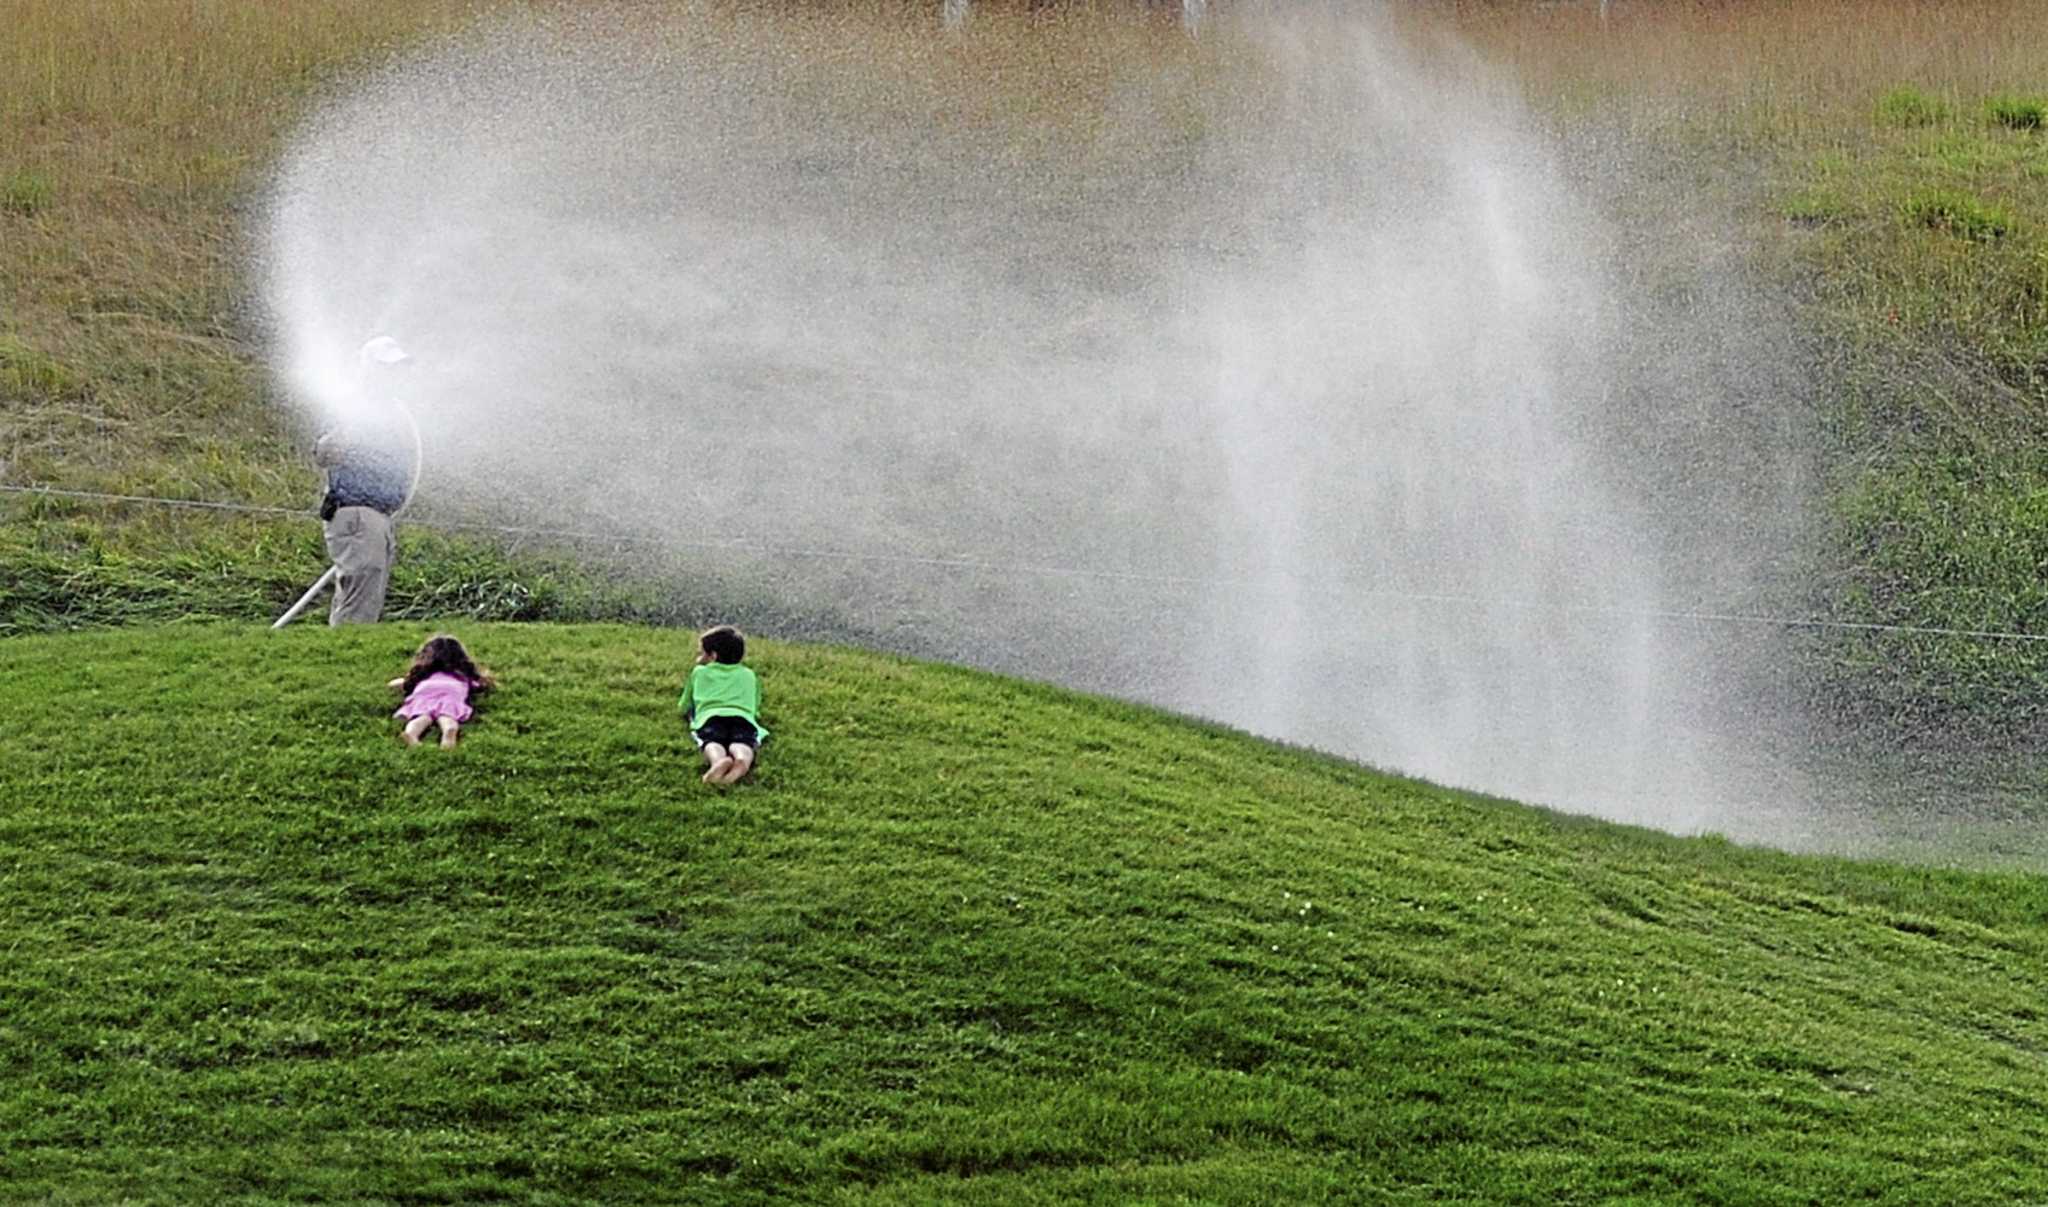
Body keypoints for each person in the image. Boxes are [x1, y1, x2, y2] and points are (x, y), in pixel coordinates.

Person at [314, 336, 420, 624]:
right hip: (359, 516)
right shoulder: (353, 405)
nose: (394, 376)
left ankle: (342, 658)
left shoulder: (392, 411)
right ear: (368, 369)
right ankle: (345, 664)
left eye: (397, 369)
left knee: (362, 599)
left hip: (375, 517)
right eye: (387, 368)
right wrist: (343, 437)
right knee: (358, 603)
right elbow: (324, 452)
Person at [679, 624, 767, 784]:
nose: (698, 657)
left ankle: (718, 761)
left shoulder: (699, 672)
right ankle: (741, 761)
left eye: (701, 653)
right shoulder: (749, 675)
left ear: (712, 655)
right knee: (743, 742)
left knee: (712, 741)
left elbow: (685, 703)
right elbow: (755, 704)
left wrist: (685, 710)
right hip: (743, 717)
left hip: (710, 717)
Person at [389, 634, 493, 748]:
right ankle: (449, 732)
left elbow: (398, 684)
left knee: (421, 717)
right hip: (452, 692)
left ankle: (411, 734)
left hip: (425, 692)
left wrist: (400, 682)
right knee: (447, 717)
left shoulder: (424, 674)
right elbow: (481, 684)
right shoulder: (462, 674)